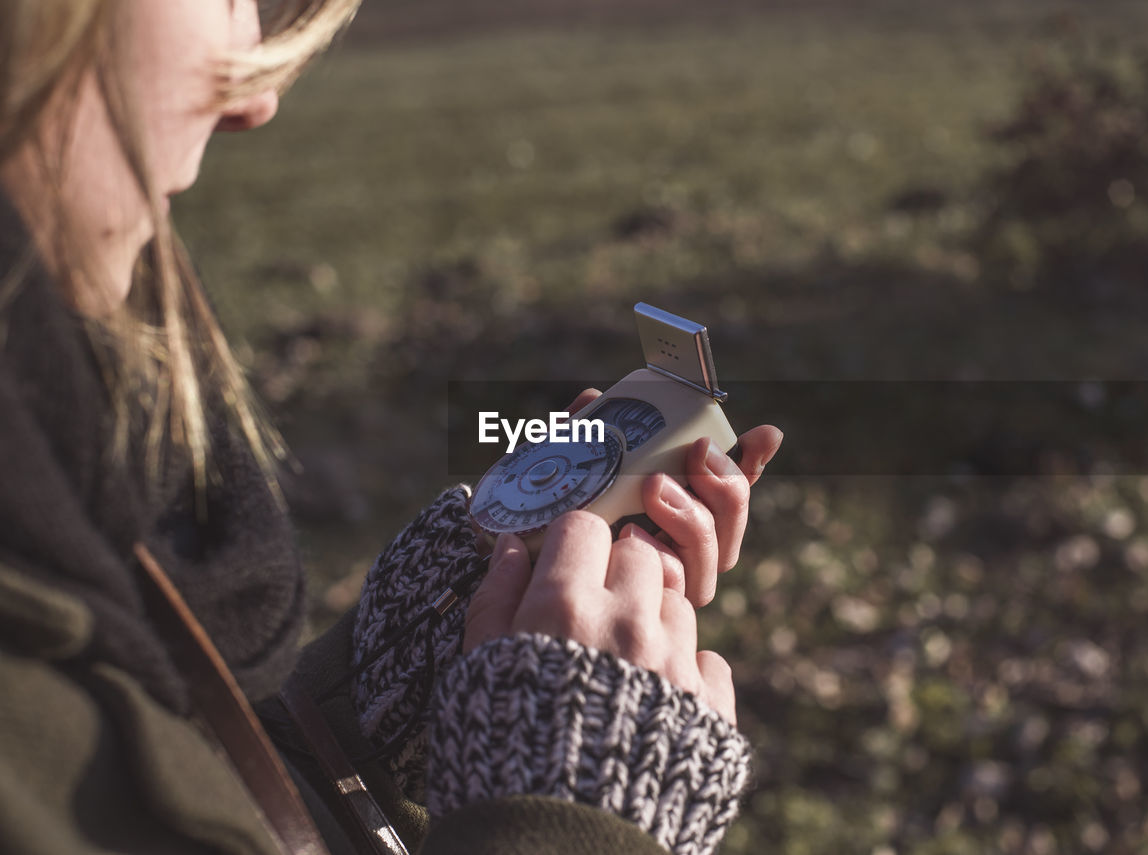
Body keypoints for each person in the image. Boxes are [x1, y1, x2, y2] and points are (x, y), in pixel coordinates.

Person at [0, 1, 784, 854]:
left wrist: (395, 689)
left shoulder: (66, 472)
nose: (254, 100)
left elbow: (180, 777)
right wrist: (573, 820)